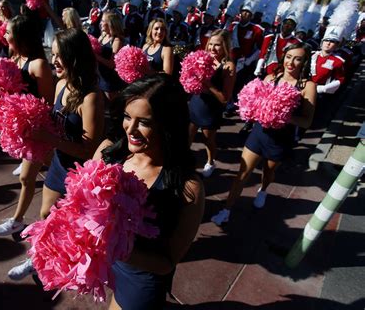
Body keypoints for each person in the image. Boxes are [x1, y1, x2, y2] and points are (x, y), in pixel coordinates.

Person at [93, 74, 204, 309]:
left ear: (168, 124)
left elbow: (167, 262)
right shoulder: (107, 152)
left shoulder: (187, 186)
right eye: (126, 117)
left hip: (140, 277)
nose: (130, 129)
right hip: (103, 263)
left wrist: (114, 247)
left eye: (144, 122)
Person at [7, 28, 104, 280]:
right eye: (54, 54)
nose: (54, 60)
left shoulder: (91, 97)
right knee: (44, 215)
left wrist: (49, 139)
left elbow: (88, 149)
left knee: (70, 227)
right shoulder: (61, 83)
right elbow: (54, 120)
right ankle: (37, 259)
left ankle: (57, 264)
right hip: (59, 163)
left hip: (79, 174)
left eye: (61, 55)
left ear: (76, 57)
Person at [211, 42, 316, 225]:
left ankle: (264, 189)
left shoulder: (307, 86)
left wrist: (283, 115)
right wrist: (250, 109)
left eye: (298, 59)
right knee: (242, 174)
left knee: (268, 172)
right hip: (259, 133)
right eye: (289, 57)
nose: (291, 62)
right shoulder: (270, 78)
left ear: (305, 62)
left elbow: (307, 121)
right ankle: (226, 210)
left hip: (281, 138)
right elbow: (254, 103)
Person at [0, 15, 54, 234]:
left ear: (20, 36)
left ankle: (18, 220)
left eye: (8, 32)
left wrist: (32, 122)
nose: (4, 34)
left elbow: (49, 103)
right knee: (57, 168)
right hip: (22, 129)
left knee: (26, 176)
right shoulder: (13, 58)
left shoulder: (38, 65)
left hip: (38, 131)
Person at [188, 30, 235, 177]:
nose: (212, 49)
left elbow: (225, 98)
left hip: (210, 109)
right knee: (187, 137)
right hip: (196, 103)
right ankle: (183, 163)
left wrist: (207, 83)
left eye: (217, 45)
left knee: (208, 140)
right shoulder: (202, 58)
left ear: (225, 47)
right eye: (210, 44)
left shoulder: (228, 66)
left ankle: (211, 161)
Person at [96, 11, 126, 101]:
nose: (100, 23)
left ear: (110, 24)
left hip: (110, 81)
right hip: (100, 77)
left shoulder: (117, 41)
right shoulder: (102, 36)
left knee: (113, 107)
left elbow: (112, 64)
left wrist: (95, 56)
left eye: (103, 21)